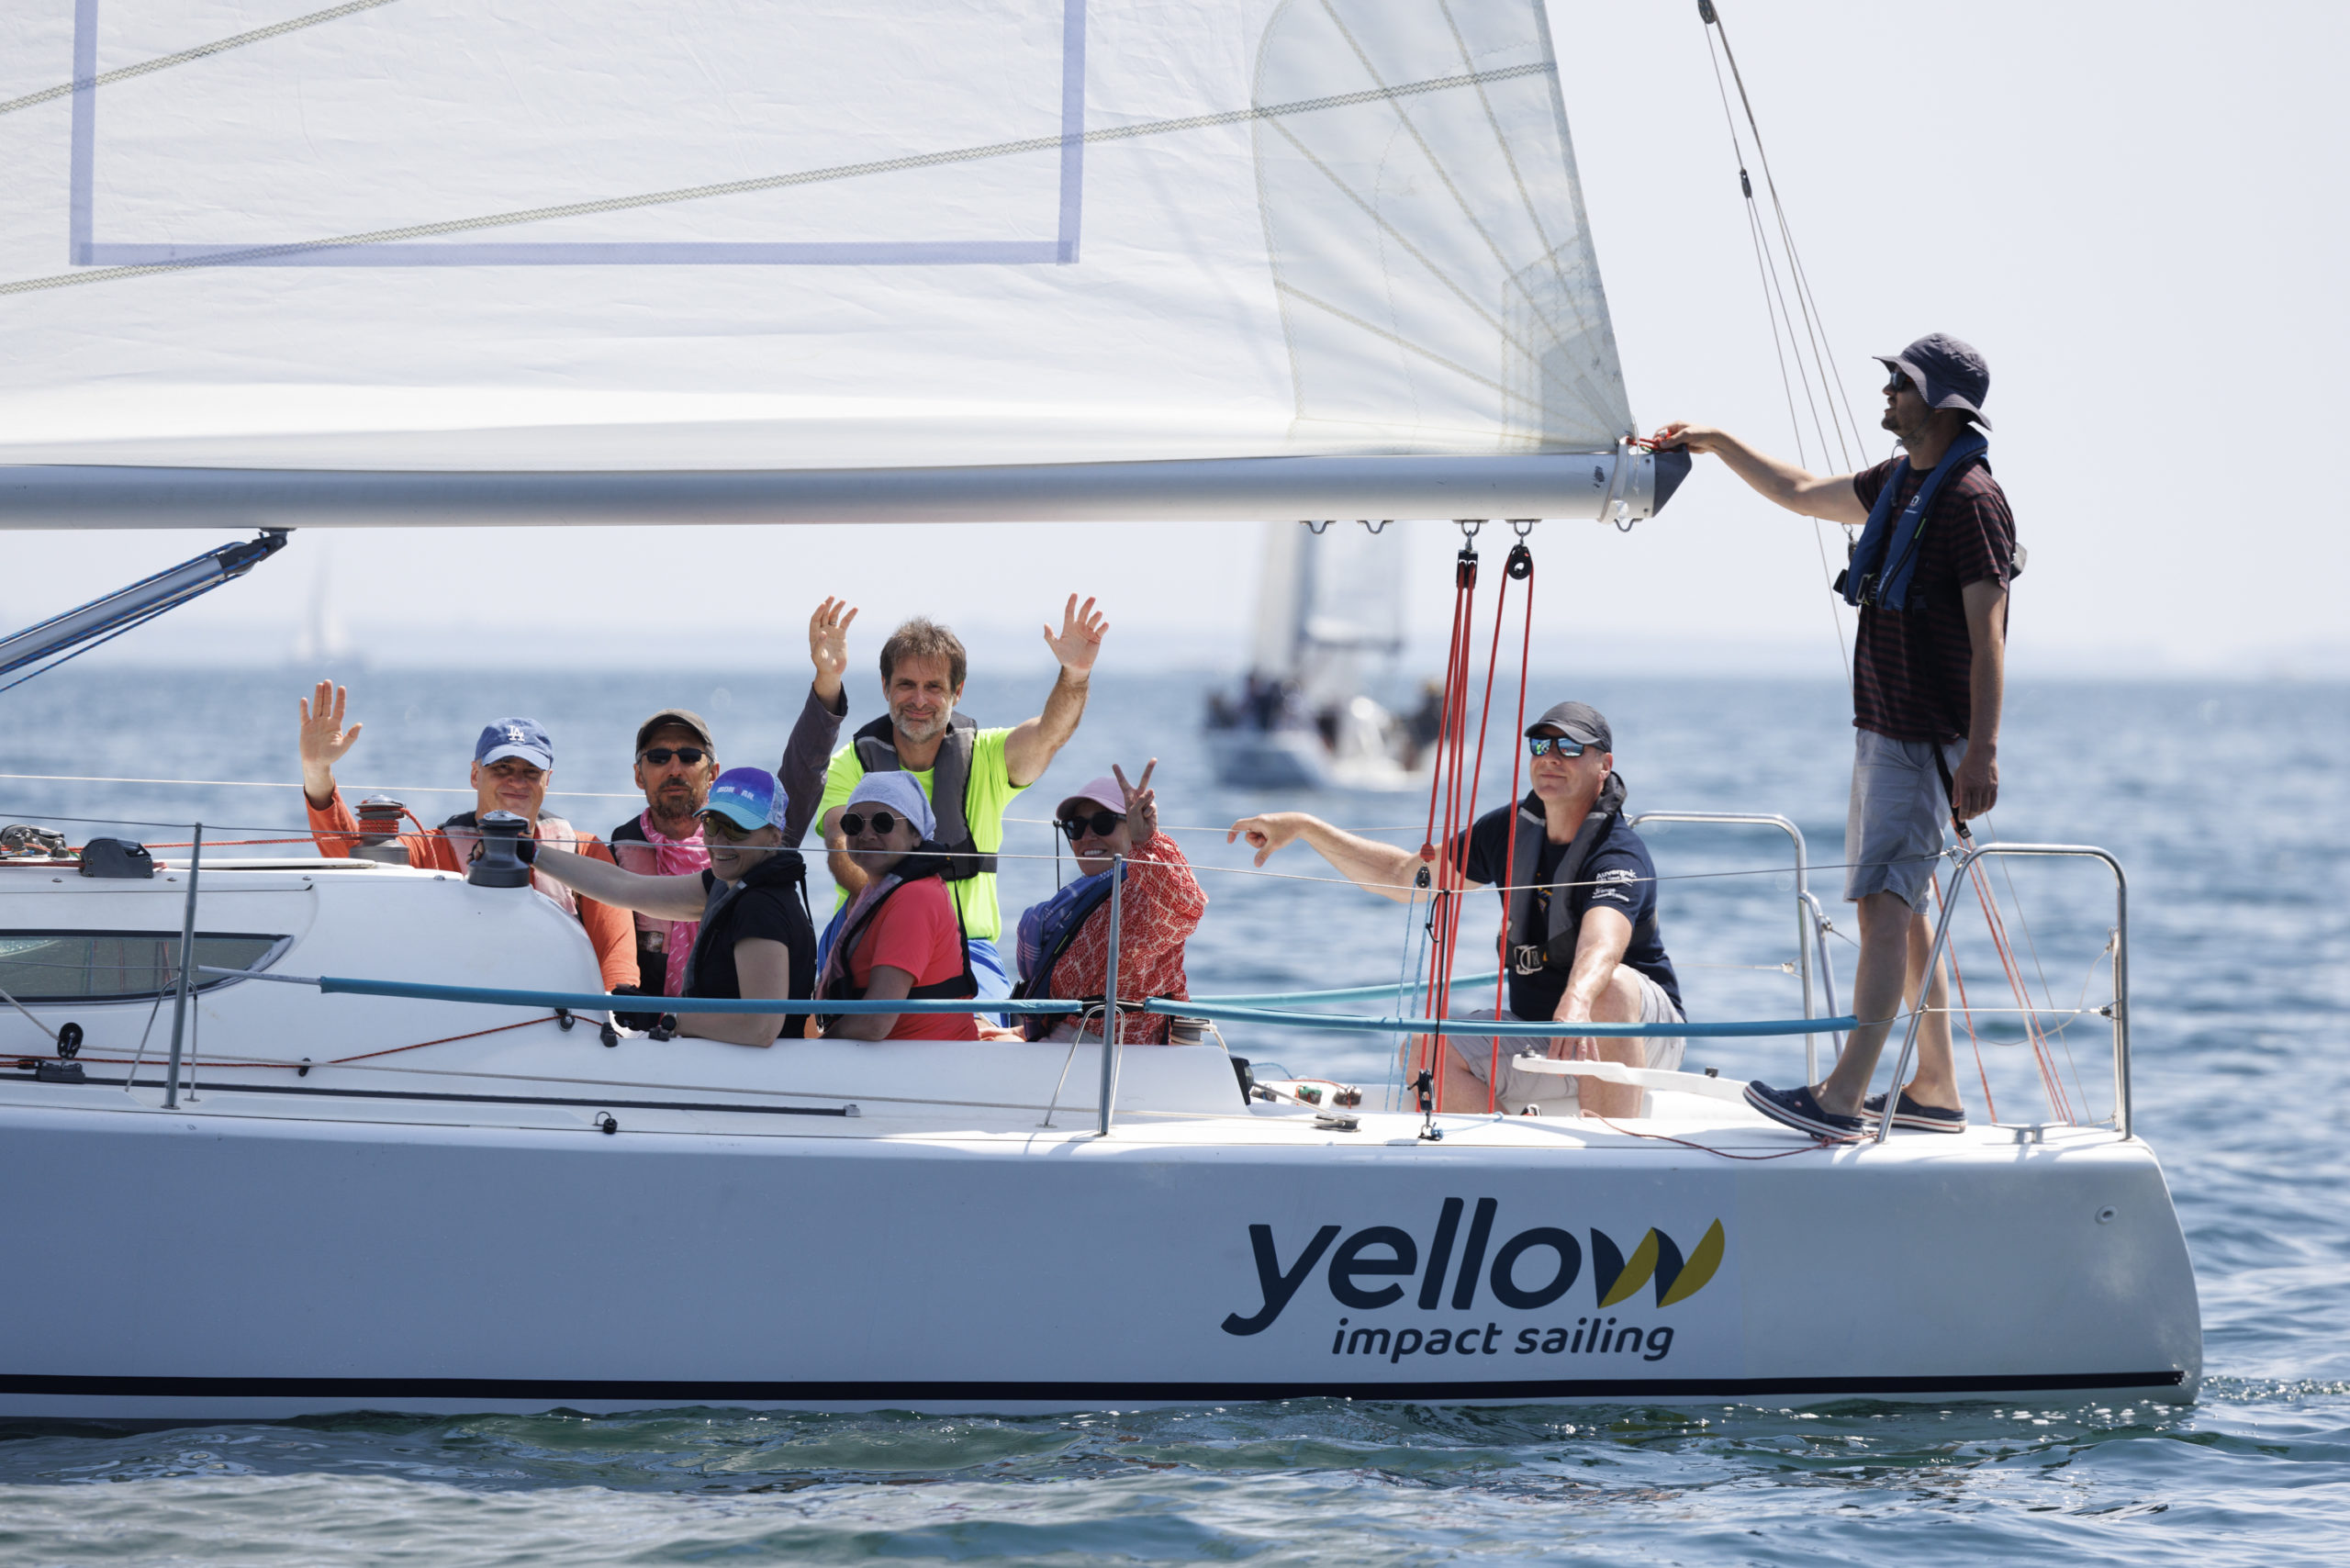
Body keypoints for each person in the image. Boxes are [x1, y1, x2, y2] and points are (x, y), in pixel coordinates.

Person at [1654, 332, 2017, 1140]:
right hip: (1882, 727)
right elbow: (1798, 491)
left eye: (1901, 382)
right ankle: (1934, 1087)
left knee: (1885, 906)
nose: (1886, 392)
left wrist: (1983, 752)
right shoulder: (1901, 482)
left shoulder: (1970, 500)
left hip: (1922, 738)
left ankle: (1843, 1098)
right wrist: (1714, 442)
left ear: (1943, 404)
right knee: (1897, 911)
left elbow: (1989, 631)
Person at [1229, 701, 1684, 1119]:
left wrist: (1578, 998)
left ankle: (1609, 1157)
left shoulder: (1618, 854)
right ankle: (1512, 1159)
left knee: (1610, 984)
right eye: (1541, 745)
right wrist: (1308, 828)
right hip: (1544, 1028)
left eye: (1570, 746)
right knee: (1425, 1051)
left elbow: (1604, 941)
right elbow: (1402, 877)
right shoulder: (1507, 832)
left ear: (1604, 765)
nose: (1551, 757)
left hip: (1640, 1030)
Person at [816, 597, 1109, 1003]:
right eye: (906, 685)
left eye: (933, 687)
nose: (919, 700)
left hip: (966, 946)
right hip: (866, 931)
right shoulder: (850, 764)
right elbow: (839, 846)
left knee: (984, 1031)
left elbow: (1048, 734)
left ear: (957, 692)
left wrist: (1075, 675)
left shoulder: (987, 757)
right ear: (885, 687)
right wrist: (903, 914)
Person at [297, 686, 635, 991]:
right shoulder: (433, 848)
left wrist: (609, 1022)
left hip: (564, 1023)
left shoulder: (585, 851)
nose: (517, 781)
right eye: (502, 768)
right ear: (476, 775)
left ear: (548, 780)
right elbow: (354, 856)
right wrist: (317, 772)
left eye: (530, 772)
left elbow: (618, 960)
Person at [608, 599, 857, 999]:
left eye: (689, 757)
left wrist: (827, 682)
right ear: (638, 774)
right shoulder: (618, 849)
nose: (675, 768)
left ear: (714, 773)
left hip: (738, 1041)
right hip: (647, 1040)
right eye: (658, 757)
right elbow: (609, 947)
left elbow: (803, 769)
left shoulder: (754, 839)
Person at [530, 768, 814, 1046]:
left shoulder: (760, 907)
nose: (719, 842)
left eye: (737, 830)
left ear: (774, 836)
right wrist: (532, 852)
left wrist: (664, 1017)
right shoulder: (727, 885)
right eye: (713, 824)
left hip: (754, 1077)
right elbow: (625, 888)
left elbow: (759, 1028)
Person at [1013, 762, 1205, 1044]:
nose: (1088, 835)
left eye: (1103, 823)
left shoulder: (1143, 891)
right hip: (1070, 1048)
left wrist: (1149, 842)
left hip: (1124, 1058)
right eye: (1076, 826)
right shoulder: (1065, 907)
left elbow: (1187, 908)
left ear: (1133, 826)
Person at [815, 774, 979, 1042]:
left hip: (923, 1063)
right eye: (853, 824)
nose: (866, 834)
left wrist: (818, 1049)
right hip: (894, 1059)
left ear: (915, 834)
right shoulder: (882, 890)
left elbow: (875, 1022)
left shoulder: (915, 898)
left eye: (883, 822)